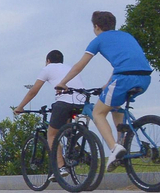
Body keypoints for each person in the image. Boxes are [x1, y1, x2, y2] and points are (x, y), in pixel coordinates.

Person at [58, 11, 153, 161]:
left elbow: (79, 66)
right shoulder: (127, 36)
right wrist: (107, 85)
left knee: (98, 113)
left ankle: (115, 149)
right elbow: (125, 62)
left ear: (96, 26)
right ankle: (122, 143)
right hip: (145, 78)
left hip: (124, 79)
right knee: (114, 106)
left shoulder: (99, 40)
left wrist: (62, 82)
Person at [11, 51, 83, 174]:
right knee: (65, 129)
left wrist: (20, 107)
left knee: (52, 134)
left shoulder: (47, 68)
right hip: (81, 101)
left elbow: (33, 90)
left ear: (48, 61)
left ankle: (61, 168)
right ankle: (75, 147)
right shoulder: (69, 67)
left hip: (64, 102)